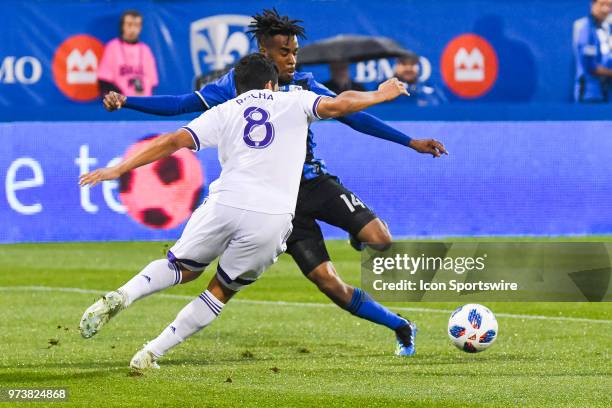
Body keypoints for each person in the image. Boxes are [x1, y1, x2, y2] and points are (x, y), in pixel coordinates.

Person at [101, 9, 447, 357]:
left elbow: (350, 114)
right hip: (275, 205)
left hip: (314, 183)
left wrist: (409, 141)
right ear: (265, 53)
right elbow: (181, 104)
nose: (293, 59)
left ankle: (357, 235)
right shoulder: (236, 85)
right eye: (286, 52)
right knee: (329, 283)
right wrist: (128, 100)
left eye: (295, 51)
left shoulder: (305, 86)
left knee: (380, 239)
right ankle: (401, 325)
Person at [97, 9, 158, 97]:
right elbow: (104, 80)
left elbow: (152, 82)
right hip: (121, 105)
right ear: (122, 26)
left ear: (141, 28)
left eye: (137, 25)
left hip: (144, 103)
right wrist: (121, 98)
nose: (133, 29)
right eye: (129, 24)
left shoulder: (146, 50)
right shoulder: (113, 47)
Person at [573, 0, 612, 102]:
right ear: (593, 5)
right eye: (602, 4)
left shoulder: (606, 29)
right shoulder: (586, 30)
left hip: (604, 93)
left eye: (609, 5)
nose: (605, 9)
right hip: (589, 94)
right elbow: (590, 66)